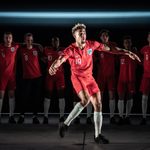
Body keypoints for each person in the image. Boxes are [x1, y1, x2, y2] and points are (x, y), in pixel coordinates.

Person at [49, 23, 140, 144]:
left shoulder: (91, 44)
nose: (83, 35)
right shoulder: (70, 49)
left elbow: (110, 49)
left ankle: (97, 135)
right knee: (85, 100)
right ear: (74, 36)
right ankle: (66, 124)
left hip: (89, 77)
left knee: (98, 103)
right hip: (77, 77)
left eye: (84, 33)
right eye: (80, 34)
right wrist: (54, 66)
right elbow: (61, 59)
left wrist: (127, 52)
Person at [17, 33, 43, 124]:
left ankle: (35, 117)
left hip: (37, 77)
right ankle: (22, 116)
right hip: (26, 78)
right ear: (25, 41)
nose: (30, 41)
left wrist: (37, 44)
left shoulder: (37, 49)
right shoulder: (21, 50)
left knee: (36, 98)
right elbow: (16, 44)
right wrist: (23, 44)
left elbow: (43, 57)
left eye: (31, 40)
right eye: (28, 40)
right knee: (24, 97)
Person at [96, 29, 118, 124]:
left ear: (108, 37)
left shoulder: (113, 45)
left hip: (111, 75)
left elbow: (118, 57)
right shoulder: (97, 47)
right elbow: (95, 61)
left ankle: (112, 117)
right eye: (103, 35)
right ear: (100, 37)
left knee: (111, 96)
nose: (105, 37)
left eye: (106, 35)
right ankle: (99, 116)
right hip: (101, 76)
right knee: (99, 97)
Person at [42, 36, 66, 124]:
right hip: (50, 77)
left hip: (60, 77)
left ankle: (62, 116)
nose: (55, 43)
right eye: (53, 41)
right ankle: (45, 116)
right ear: (51, 42)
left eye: (57, 41)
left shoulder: (63, 50)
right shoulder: (47, 50)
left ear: (59, 42)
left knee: (61, 96)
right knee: (47, 96)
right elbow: (43, 58)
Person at [117, 35, 139, 125]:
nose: (127, 44)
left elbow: (141, 63)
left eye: (129, 42)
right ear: (123, 44)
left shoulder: (135, 53)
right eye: (126, 42)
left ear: (131, 43)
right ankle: (121, 117)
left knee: (129, 98)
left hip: (131, 80)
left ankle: (127, 117)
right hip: (121, 80)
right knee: (121, 98)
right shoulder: (120, 54)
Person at [0, 32, 19, 124]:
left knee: (11, 95)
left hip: (11, 76)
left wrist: (38, 45)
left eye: (10, 38)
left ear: (12, 39)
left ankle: (11, 116)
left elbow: (26, 44)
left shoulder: (15, 47)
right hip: (2, 76)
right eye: (6, 38)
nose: (8, 39)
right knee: (1, 96)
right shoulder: (0, 47)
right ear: (3, 38)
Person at [139, 32, 150, 125]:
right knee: (144, 97)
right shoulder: (144, 49)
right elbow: (140, 59)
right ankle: (144, 117)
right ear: (148, 38)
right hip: (146, 76)